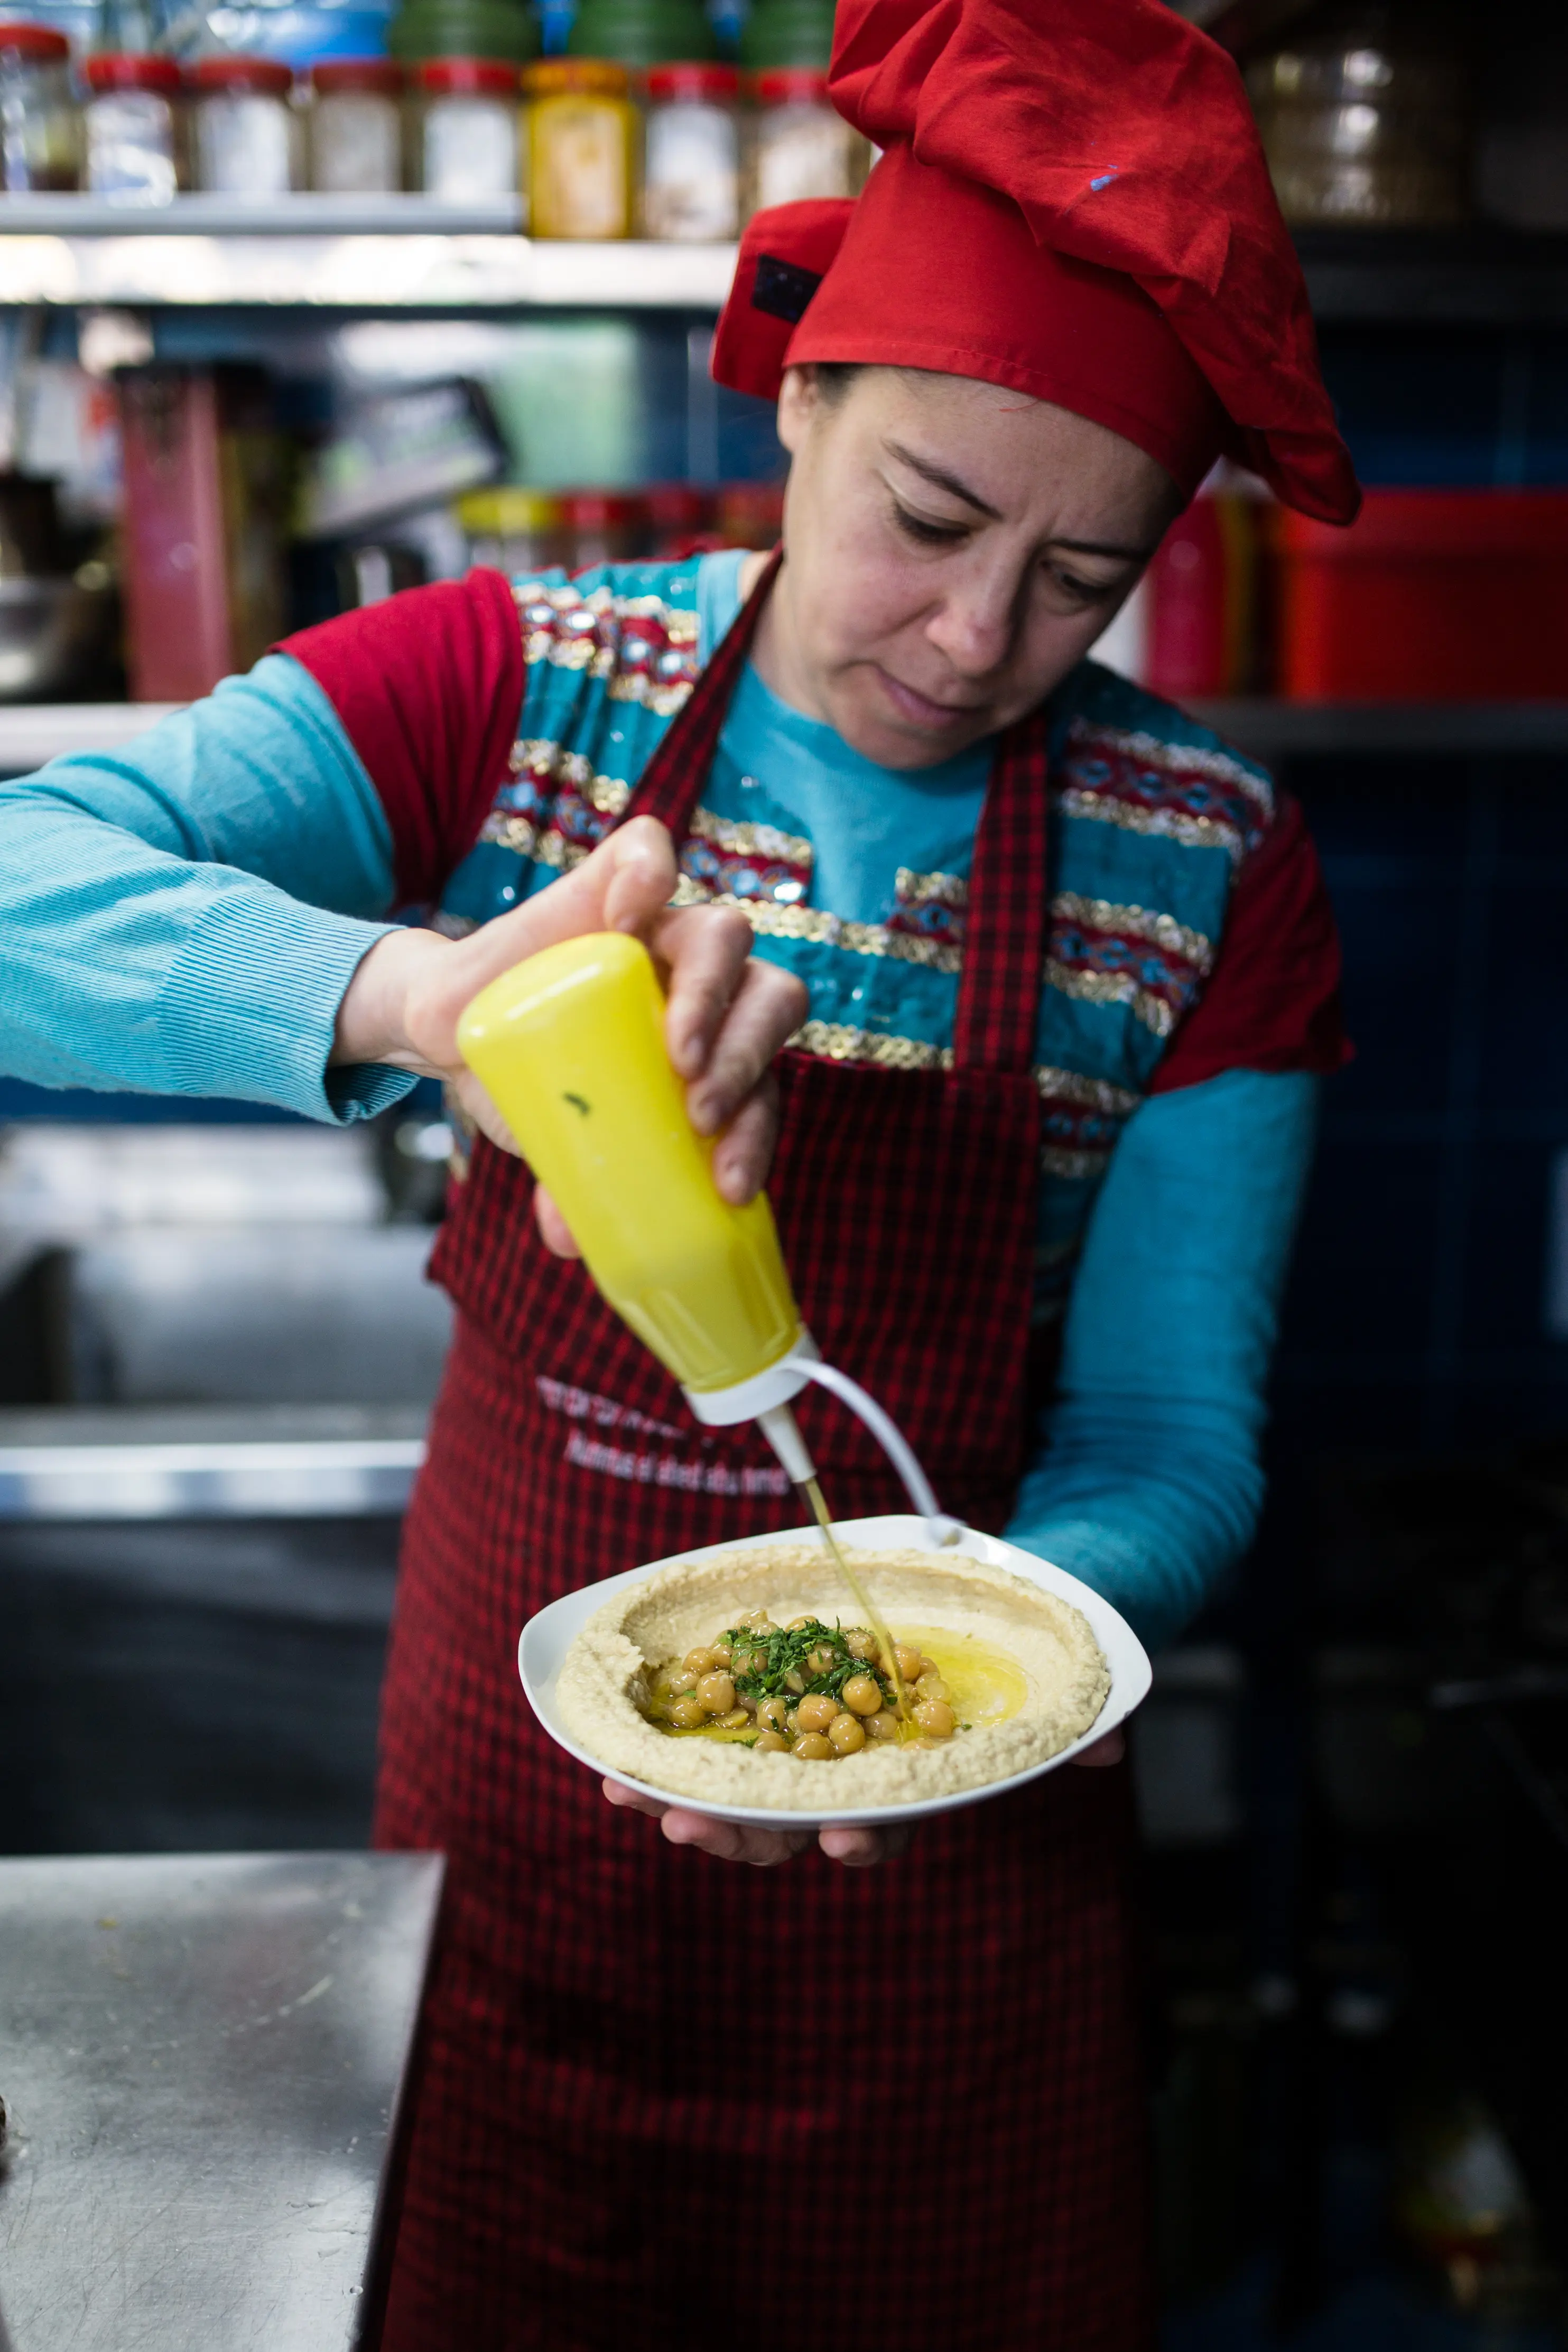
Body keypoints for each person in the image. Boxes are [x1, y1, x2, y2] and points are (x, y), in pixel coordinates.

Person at [0, 0, 1360, 2341]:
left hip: (946, 1879)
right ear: (803, 387)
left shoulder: (1210, 862)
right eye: (929, 518)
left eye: (1078, 574)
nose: (973, 635)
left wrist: (972, 1674)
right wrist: (429, 1006)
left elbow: (1166, 1444)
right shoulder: (521, 689)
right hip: (513, 1849)